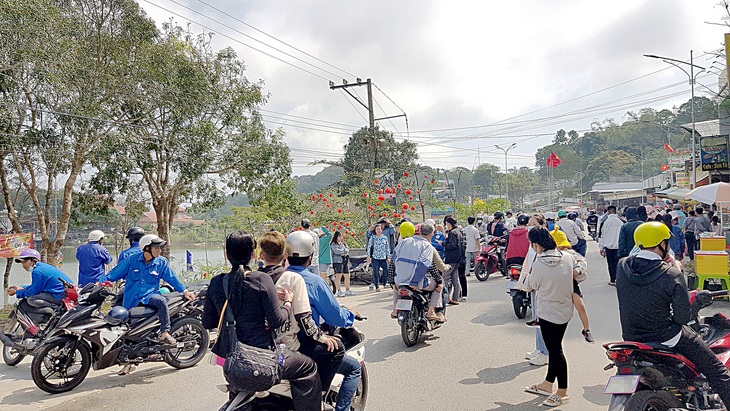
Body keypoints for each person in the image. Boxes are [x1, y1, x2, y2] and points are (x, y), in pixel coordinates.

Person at [202, 231, 322, 411]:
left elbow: (207, 322)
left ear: (226, 255)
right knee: (309, 367)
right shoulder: (261, 279)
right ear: (254, 255)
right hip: (264, 358)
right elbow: (278, 321)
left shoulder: (217, 282)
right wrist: (288, 302)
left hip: (231, 360)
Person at [616, 221, 730, 408]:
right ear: (662, 244)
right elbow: (682, 318)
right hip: (666, 337)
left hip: (631, 337)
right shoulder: (671, 274)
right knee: (717, 371)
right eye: (667, 241)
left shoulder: (622, 266)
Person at [259, 231, 359, 411]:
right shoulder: (308, 281)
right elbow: (324, 317)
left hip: (267, 342)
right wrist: (348, 317)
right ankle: (319, 393)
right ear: (311, 256)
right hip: (301, 342)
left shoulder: (264, 278)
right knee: (351, 366)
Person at [101, 234, 194, 360]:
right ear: (147, 248)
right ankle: (128, 358)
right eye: (157, 248)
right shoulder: (132, 260)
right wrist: (100, 283)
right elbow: (114, 274)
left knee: (161, 301)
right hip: (131, 299)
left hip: (150, 296)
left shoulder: (161, 262)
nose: (160, 251)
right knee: (127, 329)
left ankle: (165, 332)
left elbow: (172, 278)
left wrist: (184, 291)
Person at [524, 226, 575, 407]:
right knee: (555, 347)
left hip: (547, 312)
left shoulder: (539, 263)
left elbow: (531, 285)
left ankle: (562, 391)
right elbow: (580, 274)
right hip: (565, 309)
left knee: (555, 351)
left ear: (536, 244)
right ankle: (547, 384)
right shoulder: (568, 257)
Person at [390, 222, 445, 321]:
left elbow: (393, 262)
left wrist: (392, 281)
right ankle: (431, 311)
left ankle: (395, 309)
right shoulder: (427, 246)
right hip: (417, 283)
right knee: (438, 285)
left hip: (400, 281)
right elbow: (426, 265)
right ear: (431, 234)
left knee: (396, 286)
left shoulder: (403, 241)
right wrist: (439, 281)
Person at [6, 249, 74, 320]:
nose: (23, 265)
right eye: (22, 262)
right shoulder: (42, 267)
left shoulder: (37, 272)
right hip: (63, 292)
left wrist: (16, 292)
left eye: (25, 261)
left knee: (31, 300)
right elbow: (36, 286)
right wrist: (21, 287)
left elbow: (33, 292)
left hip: (61, 295)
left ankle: (58, 309)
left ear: (34, 260)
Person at [551, 229, 593, 343]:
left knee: (580, 306)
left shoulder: (570, 253)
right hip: (554, 284)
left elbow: (582, 261)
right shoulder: (548, 255)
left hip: (570, 283)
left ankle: (587, 329)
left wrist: (577, 271)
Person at [521, 214, 549, 366]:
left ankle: (545, 352)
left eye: (533, 224)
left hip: (541, 284)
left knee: (541, 319)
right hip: (533, 283)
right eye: (529, 224)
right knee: (536, 318)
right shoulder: (533, 242)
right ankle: (539, 349)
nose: (529, 226)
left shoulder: (544, 242)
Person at [599, 205, 624, 286]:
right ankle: (619, 279)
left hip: (609, 247)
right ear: (615, 211)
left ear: (608, 212)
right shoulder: (621, 222)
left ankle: (612, 280)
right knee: (618, 264)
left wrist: (601, 248)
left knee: (611, 264)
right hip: (618, 247)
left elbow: (602, 236)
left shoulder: (604, 223)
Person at [443, 216, 463, 305]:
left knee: (445, 279)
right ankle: (455, 298)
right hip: (458, 259)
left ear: (449, 224)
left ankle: (445, 298)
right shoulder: (459, 232)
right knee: (455, 280)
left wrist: (443, 243)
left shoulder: (452, 233)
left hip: (451, 259)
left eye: (447, 224)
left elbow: (452, 245)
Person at [367, 224, 391, 291]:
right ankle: (377, 285)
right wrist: (369, 256)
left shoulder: (385, 238)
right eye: (377, 229)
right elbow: (369, 247)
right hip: (375, 257)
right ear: (375, 230)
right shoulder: (373, 238)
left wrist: (388, 257)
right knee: (376, 272)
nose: (378, 230)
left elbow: (387, 248)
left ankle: (385, 283)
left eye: (379, 229)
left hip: (383, 257)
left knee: (386, 270)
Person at [331, 231, 353, 297]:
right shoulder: (333, 244)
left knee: (347, 275)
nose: (341, 238)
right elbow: (337, 251)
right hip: (338, 261)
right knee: (339, 276)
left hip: (345, 260)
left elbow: (348, 249)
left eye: (341, 236)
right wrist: (344, 251)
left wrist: (344, 251)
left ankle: (347, 289)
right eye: (339, 236)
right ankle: (339, 290)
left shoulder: (343, 243)